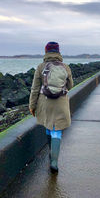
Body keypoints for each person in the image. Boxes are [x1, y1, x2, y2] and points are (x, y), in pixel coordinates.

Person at [29, 42, 73, 173]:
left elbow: (35, 89)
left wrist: (32, 106)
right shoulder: (65, 67)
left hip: (45, 102)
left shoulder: (41, 67)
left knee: (49, 125)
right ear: (58, 52)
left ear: (46, 52)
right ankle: (54, 161)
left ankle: (50, 153)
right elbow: (70, 85)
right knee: (57, 130)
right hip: (61, 102)